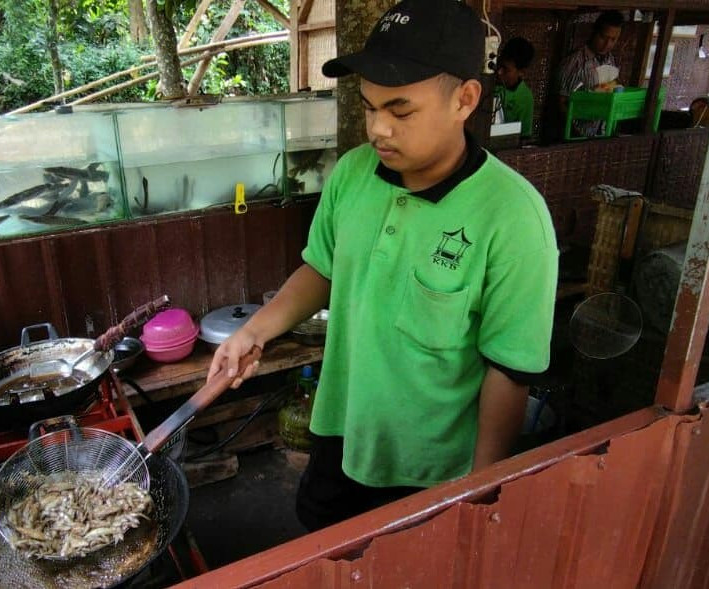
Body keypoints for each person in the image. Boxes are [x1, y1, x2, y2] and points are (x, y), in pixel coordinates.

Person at [208, 0, 558, 532]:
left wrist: (481, 488)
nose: (378, 130)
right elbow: (322, 270)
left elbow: (509, 371)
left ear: (465, 99)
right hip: (340, 429)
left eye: (400, 110)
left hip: (430, 468)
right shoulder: (352, 174)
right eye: (370, 107)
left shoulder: (514, 218)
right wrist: (255, 332)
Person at [557, 10, 625, 137]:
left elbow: (611, 91)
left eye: (613, 40)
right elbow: (561, 102)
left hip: (603, 134)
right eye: (603, 37)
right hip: (578, 135)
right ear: (594, 32)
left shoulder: (611, 61)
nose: (607, 44)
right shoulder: (575, 62)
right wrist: (574, 133)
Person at [496, 37, 536, 137]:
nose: (499, 72)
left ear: (521, 72)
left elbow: (524, 136)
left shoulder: (525, 98)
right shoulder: (489, 84)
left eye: (506, 69)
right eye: (499, 65)